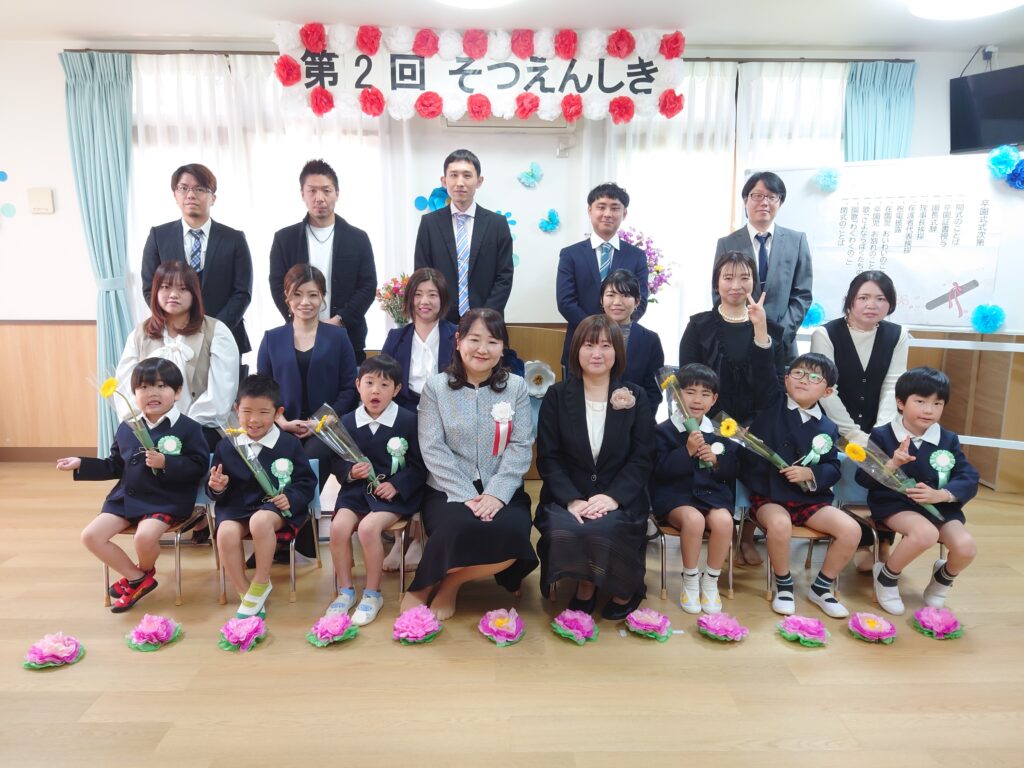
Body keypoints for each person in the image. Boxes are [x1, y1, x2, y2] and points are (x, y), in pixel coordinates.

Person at [401, 308, 536, 620]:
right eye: (474, 339)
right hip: (447, 488)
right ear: (459, 340)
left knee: (513, 532)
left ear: (503, 348)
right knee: (457, 527)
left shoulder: (516, 387)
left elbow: (520, 446)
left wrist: (496, 494)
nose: (482, 349)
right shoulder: (436, 387)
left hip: (501, 486)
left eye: (493, 341)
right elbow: (432, 447)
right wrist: (467, 495)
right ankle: (423, 586)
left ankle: (450, 583)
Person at [57, 358, 208, 612]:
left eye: (161, 386)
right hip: (127, 498)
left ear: (178, 391)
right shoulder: (127, 427)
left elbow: (199, 466)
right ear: (134, 393)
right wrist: (81, 462)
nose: (152, 393)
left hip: (166, 500)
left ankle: (140, 576)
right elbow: (115, 465)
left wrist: (167, 462)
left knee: (144, 537)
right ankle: (137, 578)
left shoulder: (189, 428)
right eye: (144, 387)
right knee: (91, 536)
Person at [743, 295, 860, 619]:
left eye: (814, 377)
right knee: (779, 524)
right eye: (798, 373)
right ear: (785, 379)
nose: (804, 380)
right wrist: (760, 328)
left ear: (828, 391)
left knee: (851, 530)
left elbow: (833, 467)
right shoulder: (772, 402)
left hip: (810, 500)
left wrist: (812, 475)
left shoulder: (828, 426)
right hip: (770, 496)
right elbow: (762, 367)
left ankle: (822, 586)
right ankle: (784, 584)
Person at [535, 315, 654, 619]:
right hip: (569, 494)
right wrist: (572, 499)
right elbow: (548, 457)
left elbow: (642, 457)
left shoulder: (636, 397)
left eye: (605, 345)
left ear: (617, 352)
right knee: (567, 527)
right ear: (576, 350)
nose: (597, 353)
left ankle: (624, 588)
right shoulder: (557, 396)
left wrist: (613, 497)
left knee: (609, 525)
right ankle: (586, 584)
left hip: (619, 495)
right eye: (589, 345)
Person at [679, 250, 784, 565]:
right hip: (710, 419)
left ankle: (747, 535)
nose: (736, 285)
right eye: (728, 277)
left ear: (754, 282)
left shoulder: (771, 327)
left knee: (760, 456)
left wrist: (761, 331)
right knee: (714, 457)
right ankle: (718, 529)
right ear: (717, 283)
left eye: (744, 277)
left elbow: (774, 386)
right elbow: (688, 381)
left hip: (756, 422)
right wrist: (716, 422)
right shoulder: (698, 325)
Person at [858, 367, 979, 616]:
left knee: (966, 547)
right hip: (895, 504)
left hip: (938, 505)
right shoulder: (882, 434)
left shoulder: (948, 438)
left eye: (937, 403)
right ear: (901, 403)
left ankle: (943, 578)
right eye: (921, 401)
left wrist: (942, 495)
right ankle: (887, 577)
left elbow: (968, 477)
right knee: (925, 534)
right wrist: (893, 463)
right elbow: (863, 477)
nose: (929, 410)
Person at [811, 270, 910, 569]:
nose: (872, 305)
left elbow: (893, 385)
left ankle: (882, 539)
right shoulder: (825, 334)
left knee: (895, 458)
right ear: (850, 300)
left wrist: (880, 433)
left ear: (890, 303)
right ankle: (860, 538)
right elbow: (826, 391)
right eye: (864, 297)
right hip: (834, 427)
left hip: (879, 425)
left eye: (880, 299)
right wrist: (854, 433)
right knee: (850, 465)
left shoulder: (898, 335)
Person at [324, 355, 425, 626]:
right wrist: (349, 472)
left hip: (390, 496)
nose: (375, 391)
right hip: (355, 493)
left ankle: (372, 593)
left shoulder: (408, 421)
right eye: (369, 383)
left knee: (368, 529)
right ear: (358, 385)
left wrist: (396, 485)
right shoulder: (346, 422)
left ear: (397, 389)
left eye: (384, 384)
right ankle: (346, 590)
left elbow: (419, 465)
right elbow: (336, 461)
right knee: (338, 528)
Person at [207, 374, 317, 619]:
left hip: (273, 508)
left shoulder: (289, 444)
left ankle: (261, 581)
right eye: (246, 411)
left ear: (278, 413)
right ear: (236, 409)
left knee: (259, 521)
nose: (254, 420)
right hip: (237, 507)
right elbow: (214, 485)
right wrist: (217, 486)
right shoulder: (227, 445)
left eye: (264, 413)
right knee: (225, 533)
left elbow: (306, 481)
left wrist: (290, 497)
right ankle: (245, 592)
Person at [117, 261, 239, 452]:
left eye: (182, 289)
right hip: (151, 427)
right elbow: (125, 388)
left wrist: (183, 427)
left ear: (194, 294)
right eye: (166, 287)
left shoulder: (216, 331)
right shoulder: (140, 333)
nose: (173, 294)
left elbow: (222, 393)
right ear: (155, 291)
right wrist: (149, 424)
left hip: (201, 428)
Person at [257, 264, 358, 484]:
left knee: (312, 459)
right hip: (280, 425)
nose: (305, 302)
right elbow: (262, 390)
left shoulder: (338, 337)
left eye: (313, 295)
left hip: (325, 428)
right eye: (297, 294)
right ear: (287, 297)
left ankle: (300, 505)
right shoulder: (271, 338)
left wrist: (321, 422)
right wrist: (281, 421)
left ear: (322, 297)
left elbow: (350, 387)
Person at [269, 159, 377, 362]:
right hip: (297, 339)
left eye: (326, 191)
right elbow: (277, 285)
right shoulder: (285, 239)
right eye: (312, 191)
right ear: (302, 194)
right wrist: (300, 320)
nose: (319, 198)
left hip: (348, 337)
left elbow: (367, 286)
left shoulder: (358, 238)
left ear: (337, 193)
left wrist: (340, 320)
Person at [141, 163, 253, 357]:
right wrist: (175, 324)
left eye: (200, 189)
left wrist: (214, 330)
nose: (191, 195)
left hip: (224, 336)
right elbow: (150, 287)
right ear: (175, 195)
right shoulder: (158, 236)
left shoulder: (234, 239)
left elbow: (242, 292)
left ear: (213, 198)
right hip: (172, 338)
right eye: (183, 188)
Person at [651, 363, 737, 615]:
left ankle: (710, 581)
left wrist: (717, 461)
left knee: (724, 521)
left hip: (711, 495)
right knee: (694, 519)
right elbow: (658, 471)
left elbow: (733, 470)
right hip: (676, 495)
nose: (697, 400)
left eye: (705, 394)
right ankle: (690, 578)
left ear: (714, 399)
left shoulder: (721, 431)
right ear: (676, 395)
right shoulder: (663, 431)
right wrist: (686, 451)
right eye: (690, 392)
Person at [714, 171, 811, 363]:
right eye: (757, 195)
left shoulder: (797, 241)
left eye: (772, 197)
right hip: (738, 342)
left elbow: (802, 295)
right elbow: (719, 293)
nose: (764, 202)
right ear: (745, 200)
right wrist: (737, 332)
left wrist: (779, 334)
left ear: (780, 202)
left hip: (783, 344)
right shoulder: (726, 243)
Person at [413, 149, 514, 324]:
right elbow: (422, 274)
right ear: (444, 181)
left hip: (487, 321)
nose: (460, 182)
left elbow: (504, 276)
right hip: (440, 319)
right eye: (454, 175)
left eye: (467, 175)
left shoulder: (497, 224)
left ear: (479, 181)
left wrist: (484, 317)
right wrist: (435, 313)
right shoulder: (429, 224)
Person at [556, 183, 648, 366]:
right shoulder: (570, 254)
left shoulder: (636, 256)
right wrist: (595, 331)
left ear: (624, 213)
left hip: (624, 344)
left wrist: (618, 330)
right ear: (590, 210)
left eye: (615, 208)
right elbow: (566, 302)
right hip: (581, 342)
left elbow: (641, 299)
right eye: (601, 207)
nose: (607, 213)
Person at [380, 267, 457, 411]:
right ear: (409, 299)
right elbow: (382, 380)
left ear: (443, 299)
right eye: (418, 294)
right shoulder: (395, 338)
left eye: (432, 295)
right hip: (405, 411)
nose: (424, 301)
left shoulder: (458, 336)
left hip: (449, 411)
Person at [599, 269, 662, 412]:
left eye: (626, 295)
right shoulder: (587, 334)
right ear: (601, 300)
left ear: (637, 301)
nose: (617, 302)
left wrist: (639, 418)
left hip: (635, 416)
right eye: (611, 295)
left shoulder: (650, 340)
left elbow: (654, 391)